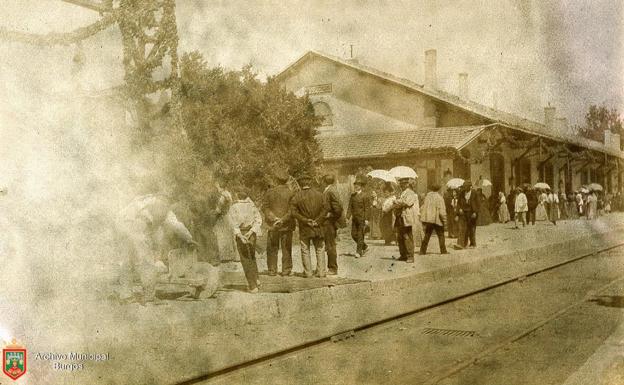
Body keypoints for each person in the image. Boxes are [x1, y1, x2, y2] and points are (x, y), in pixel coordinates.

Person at [116, 194, 196, 303]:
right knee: (144, 260)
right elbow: (175, 225)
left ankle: (126, 295)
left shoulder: (155, 205)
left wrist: (188, 238)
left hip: (123, 223)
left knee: (127, 261)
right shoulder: (155, 204)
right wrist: (189, 239)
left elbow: (176, 225)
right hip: (131, 225)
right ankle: (148, 295)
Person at [291, 173, 328, 277]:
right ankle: (321, 272)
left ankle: (308, 272)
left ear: (300, 184)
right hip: (318, 226)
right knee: (320, 248)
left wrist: (306, 220)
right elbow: (325, 209)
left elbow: (293, 212)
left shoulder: (296, 196)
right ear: (310, 182)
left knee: (305, 249)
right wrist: (318, 220)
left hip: (305, 227)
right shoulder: (320, 194)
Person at [229, 190, 263, 293]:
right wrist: (251, 231)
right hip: (251, 233)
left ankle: (252, 286)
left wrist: (240, 235)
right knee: (252, 257)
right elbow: (258, 220)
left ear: (237, 195)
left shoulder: (233, 207)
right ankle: (256, 280)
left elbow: (233, 224)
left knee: (245, 259)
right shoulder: (252, 206)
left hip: (241, 233)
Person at [262, 171, 295, 276]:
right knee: (286, 248)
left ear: (276, 180)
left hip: (273, 225)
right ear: (286, 181)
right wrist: (283, 219)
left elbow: (265, 207)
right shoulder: (291, 193)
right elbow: (292, 210)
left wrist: (274, 218)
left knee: (272, 248)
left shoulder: (269, 192)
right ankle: (286, 270)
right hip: (286, 225)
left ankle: (272, 270)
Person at [393, 177, 420, 262]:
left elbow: (408, 203)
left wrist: (397, 202)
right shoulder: (402, 193)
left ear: (407, 184)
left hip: (406, 217)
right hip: (400, 217)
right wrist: (399, 202)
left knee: (407, 236)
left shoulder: (411, 193)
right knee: (400, 236)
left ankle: (410, 256)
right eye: (401, 184)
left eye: (404, 184)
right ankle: (403, 254)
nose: (402, 185)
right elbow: (400, 203)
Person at [322, 174, 344, 276]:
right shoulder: (330, 189)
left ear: (324, 181)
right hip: (329, 222)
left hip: (330, 222)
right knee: (330, 245)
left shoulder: (330, 191)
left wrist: (331, 215)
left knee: (330, 245)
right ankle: (331, 267)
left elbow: (338, 208)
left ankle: (333, 268)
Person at [419, 184, 448, 255]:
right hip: (437, 219)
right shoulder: (439, 198)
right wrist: (445, 220)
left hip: (429, 219)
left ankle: (422, 251)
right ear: (438, 189)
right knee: (441, 235)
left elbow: (423, 207)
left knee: (427, 235)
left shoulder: (427, 197)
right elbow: (442, 211)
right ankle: (443, 250)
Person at [348, 175, 372, 258]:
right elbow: (350, 207)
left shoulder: (365, 196)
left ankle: (358, 252)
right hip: (355, 219)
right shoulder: (352, 196)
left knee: (360, 235)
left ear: (361, 186)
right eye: (355, 185)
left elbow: (367, 209)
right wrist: (348, 217)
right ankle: (365, 247)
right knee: (353, 235)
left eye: (358, 185)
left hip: (362, 219)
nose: (356, 186)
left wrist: (366, 219)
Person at [213, 182, 238, 262]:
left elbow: (219, 208)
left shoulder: (223, 196)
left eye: (217, 187)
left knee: (222, 235)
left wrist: (213, 213)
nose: (217, 188)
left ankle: (225, 256)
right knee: (229, 235)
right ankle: (232, 255)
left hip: (223, 217)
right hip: (228, 215)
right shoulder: (228, 194)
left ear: (220, 187)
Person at [456, 181, 480, 248]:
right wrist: (459, 209)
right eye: (464, 186)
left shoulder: (474, 193)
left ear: (470, 187)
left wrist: (475, 212)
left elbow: (478, 203)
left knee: (471, 229)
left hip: (472, 213)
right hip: (463, 212)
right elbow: (458, 203)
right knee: (462, 228)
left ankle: (472, 243)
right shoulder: (462, 193)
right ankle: (461, 244)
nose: (465, 188)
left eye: (466, 186)